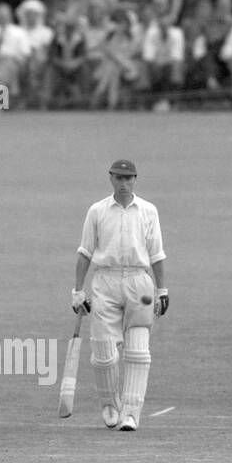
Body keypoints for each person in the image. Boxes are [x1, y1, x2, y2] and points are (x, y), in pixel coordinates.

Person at [71, 159, 168, 431]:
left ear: (136, 179)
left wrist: (162, 290)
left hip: (139, 282)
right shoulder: (97, 211)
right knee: (103, 353)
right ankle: (110, 404)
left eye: (129, 178)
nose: (124, 183)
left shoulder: (148, 210)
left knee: (138, 352)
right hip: (105, 280)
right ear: (110, 179)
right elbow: (85, 252)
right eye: (119, 178)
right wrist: (77, 291)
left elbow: (157, 253)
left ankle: (131, 413)